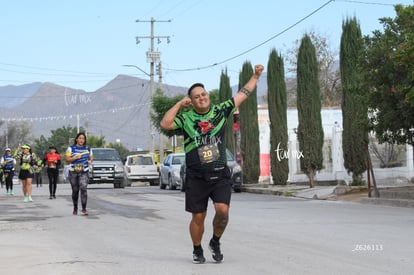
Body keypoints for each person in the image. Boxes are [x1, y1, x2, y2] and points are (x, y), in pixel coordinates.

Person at [160, 64, 264, 264]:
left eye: (203, 94)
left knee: (223, 211)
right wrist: (179, 105)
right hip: (196, 177)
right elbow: (165, 124)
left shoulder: (221, 110)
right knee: (198, 217)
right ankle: (197, 249)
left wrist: (256, 76)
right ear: (191, 100)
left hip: (219, 174)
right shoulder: (187, 118)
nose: (201, 97)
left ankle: (215, 241)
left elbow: (244, 93)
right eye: (196, 96)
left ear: (208, 95)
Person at [65, 133, 93, 215]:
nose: (81, 140)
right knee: (75, 190)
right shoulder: (71, 148)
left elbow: (91, 158)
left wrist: (90, 161)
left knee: (83, 189)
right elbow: (67, 159)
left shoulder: (88, 149)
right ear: (76, 139)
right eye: (80, 138)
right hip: (73, 172)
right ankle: (75, 207)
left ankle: (84, 209)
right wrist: (75, 158)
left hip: (84, 171)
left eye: (83, 139)